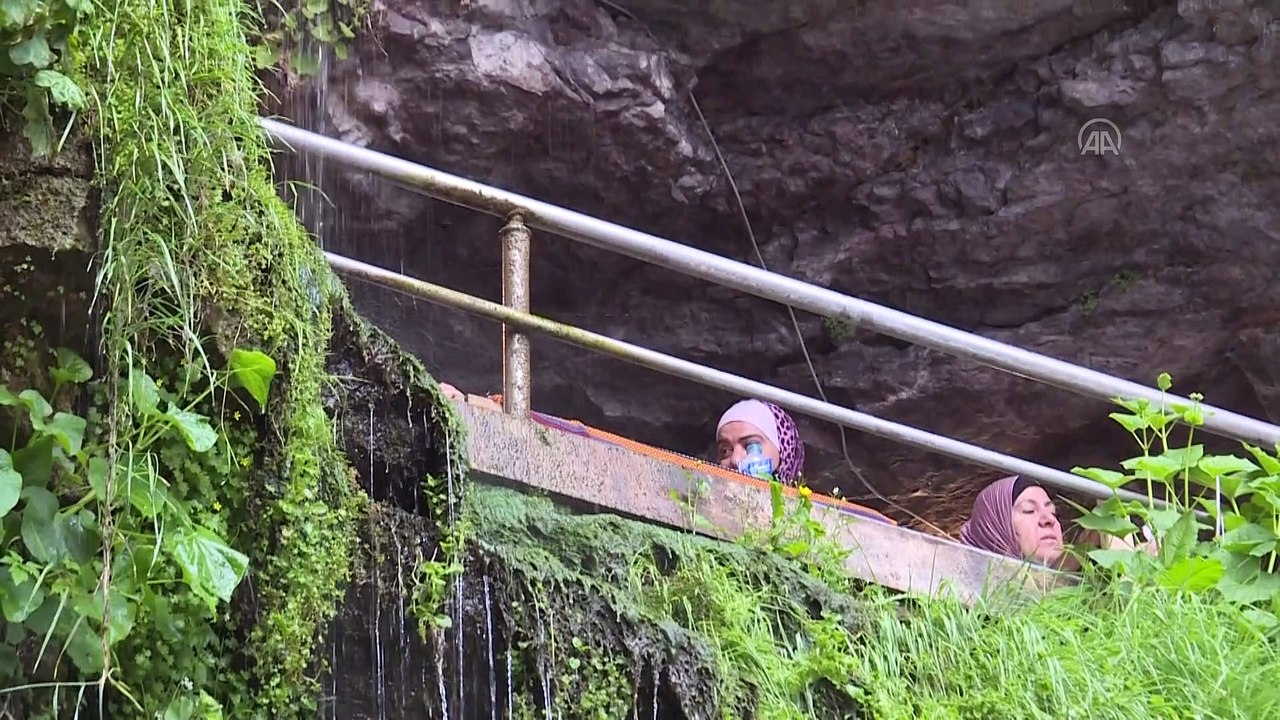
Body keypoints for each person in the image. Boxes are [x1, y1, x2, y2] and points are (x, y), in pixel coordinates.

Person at [959, 475, 1066, 568]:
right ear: (997, 529)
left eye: (1053, 512)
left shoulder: (1079, 587)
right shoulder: (962, 587)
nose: (1049, 519)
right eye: (1029, 510)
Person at [715, 398, 806, 486]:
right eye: (725, 451)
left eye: (751, 446)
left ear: (783, 452)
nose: (735, 460)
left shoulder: (808, 501)